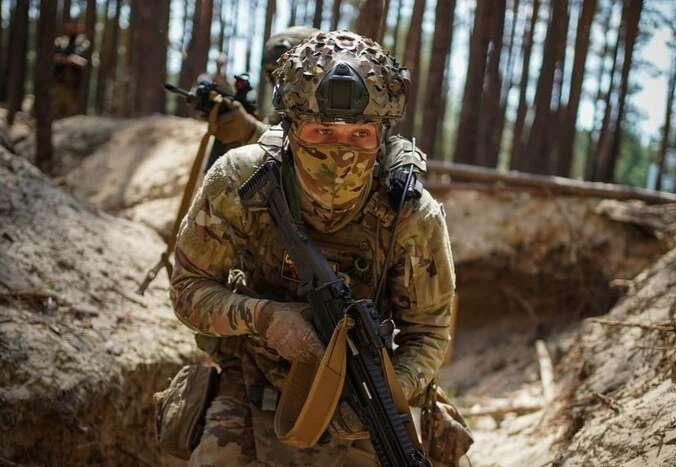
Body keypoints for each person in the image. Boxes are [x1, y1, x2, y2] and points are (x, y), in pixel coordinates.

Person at [169, 30, 460, 465]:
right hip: (255, 384)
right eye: (322, 131)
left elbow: (429, 335)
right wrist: (264, 318)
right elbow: (188, 289)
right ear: (290, 125)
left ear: (382, 134)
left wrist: (385, 393)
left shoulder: (410, 214)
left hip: (359, 407)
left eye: (360, 134)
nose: (341, 152)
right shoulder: (240, 180)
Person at [207, 26, 320, 153]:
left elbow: (309, 154)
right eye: (273, 74)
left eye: (288, 74)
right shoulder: (284, 109)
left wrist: (251, 130)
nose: (280, 82)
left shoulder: (327, 108)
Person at [53, 21, 90, 120]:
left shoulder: (83, 43)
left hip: (74, 86)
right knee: (55, 112)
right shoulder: (61, 42)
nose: (72, 28)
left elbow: (83, 62)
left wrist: (70, 59)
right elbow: (54, 57)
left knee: (71, 115)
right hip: (59, 83)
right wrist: (68, 59)